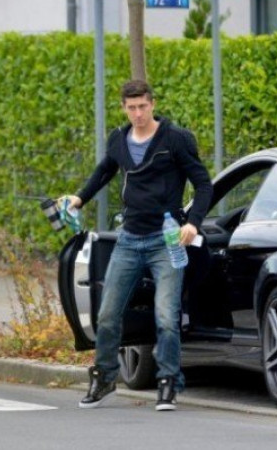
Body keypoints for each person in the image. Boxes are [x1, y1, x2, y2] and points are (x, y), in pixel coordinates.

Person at [64, 79, 212, 411]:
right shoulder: (119, 139)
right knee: (107, 314)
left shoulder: (175, 139)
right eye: (131, 108)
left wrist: (193, 223)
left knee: (166, 316)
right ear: (123, 108)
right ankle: (104, 377)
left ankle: (168, 382)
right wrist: (80, 198)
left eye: (143, 106)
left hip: (166, 240)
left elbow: (203, 184)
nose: (138, 113)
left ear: (152, 104)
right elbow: (104, 171)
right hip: (129, 239)